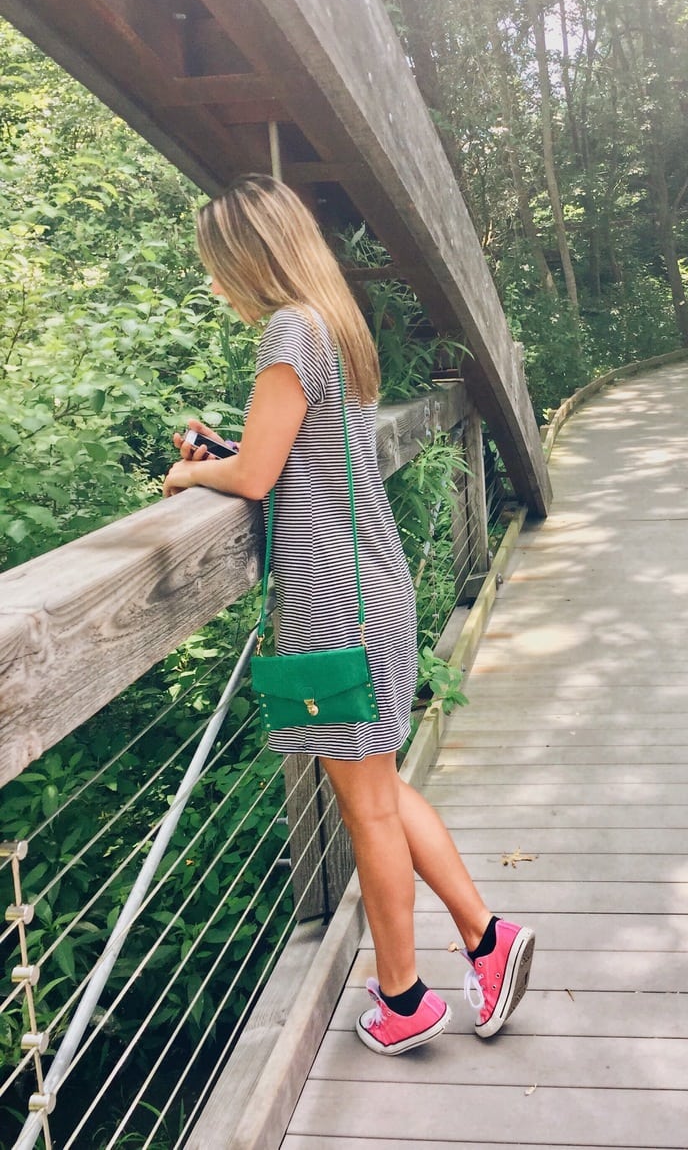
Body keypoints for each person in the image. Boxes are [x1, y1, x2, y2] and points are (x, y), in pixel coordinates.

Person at [163, 174, 534, 1055]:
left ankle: (405, 998)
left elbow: (257, 476)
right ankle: (488, 939)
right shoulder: (334, 324)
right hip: (370, 588)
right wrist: (229, 450)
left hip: (335, 604)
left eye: (219, 265)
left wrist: (191, 473)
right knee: (382, 788)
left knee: (366, 804)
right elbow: (290, 458)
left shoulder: (289, 331)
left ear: (252, 257)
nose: (217, 283)